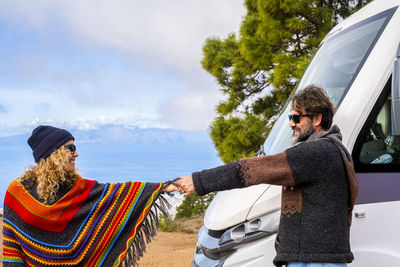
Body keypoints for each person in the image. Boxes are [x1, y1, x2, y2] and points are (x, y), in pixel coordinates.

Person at [165, 85, 360, 267]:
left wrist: (196, 181)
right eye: (290, 117)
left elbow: (248, 170)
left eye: (297, 118)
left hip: (314, 260)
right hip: (319, 256)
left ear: (317, 119)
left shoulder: (315, 152)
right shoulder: (332, 148)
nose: (291, 124)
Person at [2, 125, 173, 266]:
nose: (76, 153)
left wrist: (163, 188)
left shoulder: (80, 188)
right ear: (53, 154)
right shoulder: (17, 193)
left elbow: (116, 194)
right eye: (71, 148)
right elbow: (11, 248)